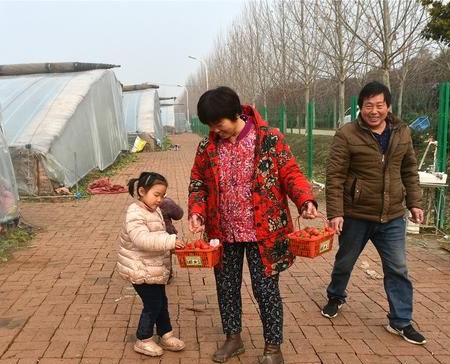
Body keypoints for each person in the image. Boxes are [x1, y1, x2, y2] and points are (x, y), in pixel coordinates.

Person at [188, 86, 318, 364]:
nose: (215, 130)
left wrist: (305, 200)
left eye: (218, 123)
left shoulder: (268, 138)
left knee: (266, 289)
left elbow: (290, 172)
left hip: (265, 232)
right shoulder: (207, 145)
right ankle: (233, 338)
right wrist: (196, 211)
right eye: (210, 125)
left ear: (234, 114)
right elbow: (198, 181)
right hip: (223, 231)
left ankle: (273, 348)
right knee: (226, 287)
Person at [321, 81, 426, 345]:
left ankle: (401, 321)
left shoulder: (402, 133)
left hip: (391, 216)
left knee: (398, 268)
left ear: (388, 106)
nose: (374, 110)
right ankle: (336, 295)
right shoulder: (346, 134)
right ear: (360, 108)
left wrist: (415, 202)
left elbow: (409, 170)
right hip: (356, 214)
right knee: (345, 261)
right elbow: (334, 176)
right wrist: (336, 212)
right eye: (369, 105)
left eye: (379, 105)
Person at [116, 172, 186, 357]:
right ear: (141, 191)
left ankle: (165, 334)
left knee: (161, 302)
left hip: (153, 268)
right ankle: (143, 338)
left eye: (162, 195)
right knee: (153, 304)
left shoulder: (153, 210)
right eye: (156, 194)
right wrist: (169, 242)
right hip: (140, 269)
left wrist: (172, 246)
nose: (160, 199)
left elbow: (158, 235)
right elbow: (142, 239)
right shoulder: (135, 212)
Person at [159, 196, 184, 284]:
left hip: (153, 236)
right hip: (166, 234)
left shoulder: (139, 205)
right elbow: (179, 214)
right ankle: (167, 275)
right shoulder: (166, 202)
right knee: (166, 254)